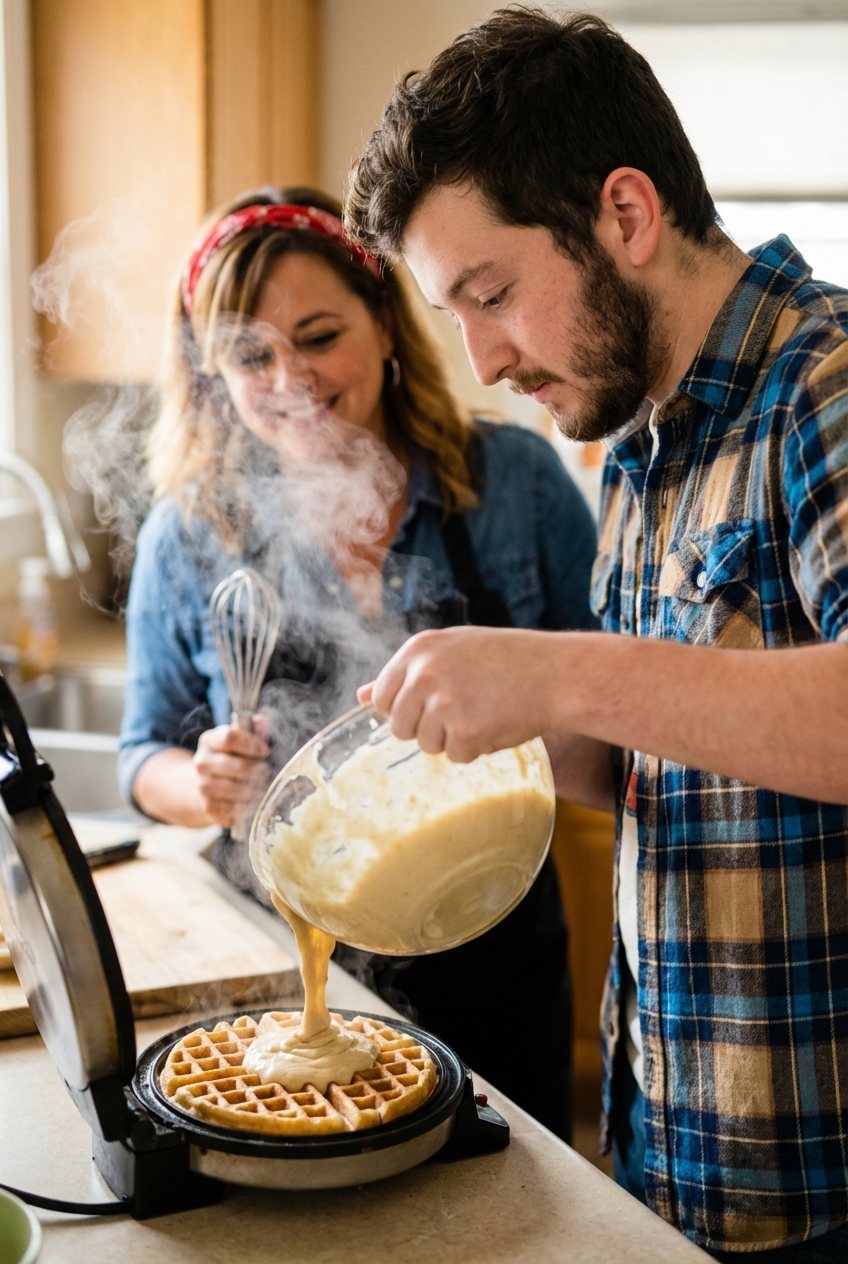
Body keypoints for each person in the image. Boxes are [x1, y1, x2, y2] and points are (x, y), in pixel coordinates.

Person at [344, 9, 847, 1261]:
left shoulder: (824, 386)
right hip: (668, 1146)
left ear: (623, 214)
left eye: (492, 294)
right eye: (450, 314)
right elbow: (669, 770)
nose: (479, 359)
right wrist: (508, 745)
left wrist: (556, 668)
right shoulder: (631, 446)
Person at [118, 185, 599, 1141]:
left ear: (385, 321)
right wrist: (201, 783)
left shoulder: (515, 483)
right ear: (213, 374)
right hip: (289, 960)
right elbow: (141, 756)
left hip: (493, 933)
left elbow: (616, 709)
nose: (288, 378)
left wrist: (531, 700)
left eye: (318, 334)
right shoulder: (189, 536)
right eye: (249, 356)